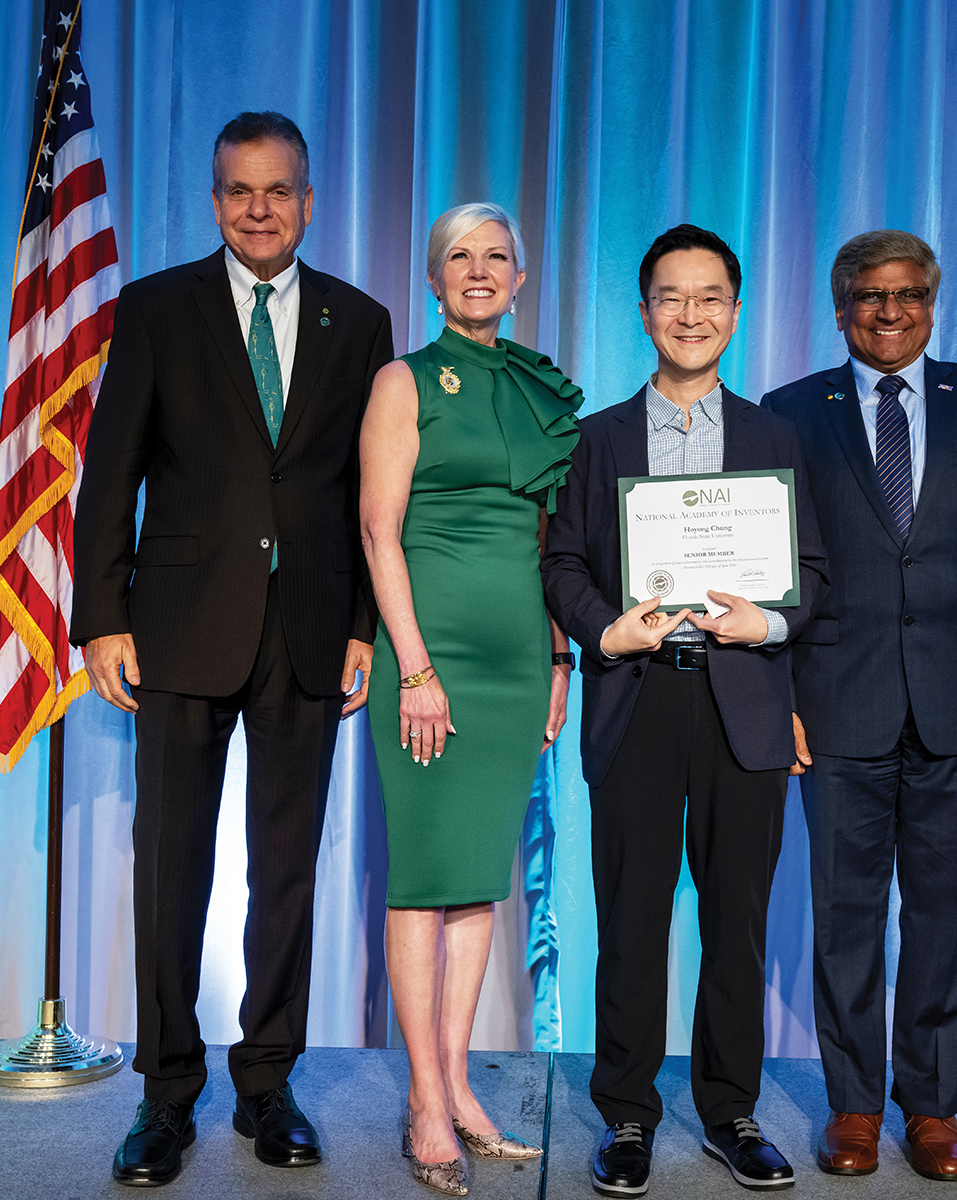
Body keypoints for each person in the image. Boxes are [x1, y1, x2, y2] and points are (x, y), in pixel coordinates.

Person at [72, 111, 394, 1187]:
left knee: (286, 870)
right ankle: (166, 1093)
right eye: (239, 191)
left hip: (310, 630)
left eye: (278, 191)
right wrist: (101, 617)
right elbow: (111, 470)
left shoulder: (361, 320)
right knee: (171, 866)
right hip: (175, 629)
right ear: (215, 201)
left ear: (308, 200)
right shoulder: (155, 307)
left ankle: (267, 1082)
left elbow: (367, 496)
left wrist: (362, 627)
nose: (260, 210)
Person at [763, 230, 957, 1182]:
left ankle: (932, 1108)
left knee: (941, 913)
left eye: (908, 295)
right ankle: (853, 1106)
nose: (889, 312)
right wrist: (777, 698)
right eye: (869, 295)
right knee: (845, 915)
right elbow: (771, 573)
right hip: (834, 703)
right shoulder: (789, 412)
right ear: (839, 307)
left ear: (932, 304)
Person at [542, 224, 828, 1196]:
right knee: (629, 919)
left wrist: (769, 620)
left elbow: (814, 572)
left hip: (744, 703)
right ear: (644, 312)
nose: (691, 314)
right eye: (673, 296)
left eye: (710, 297)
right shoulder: (596, 439)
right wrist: (605, 630)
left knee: (737, 923)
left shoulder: (775, 437)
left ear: (736, 313)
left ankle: (730, 1111)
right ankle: (625, 1113)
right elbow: (562, 564)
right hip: (636, 700)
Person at [359, 202, 582, 1196]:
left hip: (517, 664)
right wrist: (413, 668)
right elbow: (378, 530)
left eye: (497, 256)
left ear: (521, 278)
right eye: (460, 256)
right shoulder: (403, 381)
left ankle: (457, 1084)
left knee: (481, 877)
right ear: (434, 277)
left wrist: (559, 658)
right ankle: (421, 1100)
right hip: (429, 656)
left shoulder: (539, 386)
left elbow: (549, 542)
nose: (480, 270)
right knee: (424, 876)